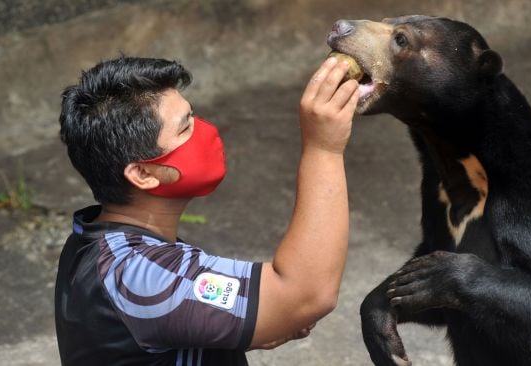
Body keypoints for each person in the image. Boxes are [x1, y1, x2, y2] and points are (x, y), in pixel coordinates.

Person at [54, 55, 359, 365]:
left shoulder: (97, 241)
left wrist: (258, 318)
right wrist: (324, 148)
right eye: (185, 127)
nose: (206, 130)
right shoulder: (136, 276)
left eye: (193, 115)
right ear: (144, 174)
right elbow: (305, 295)